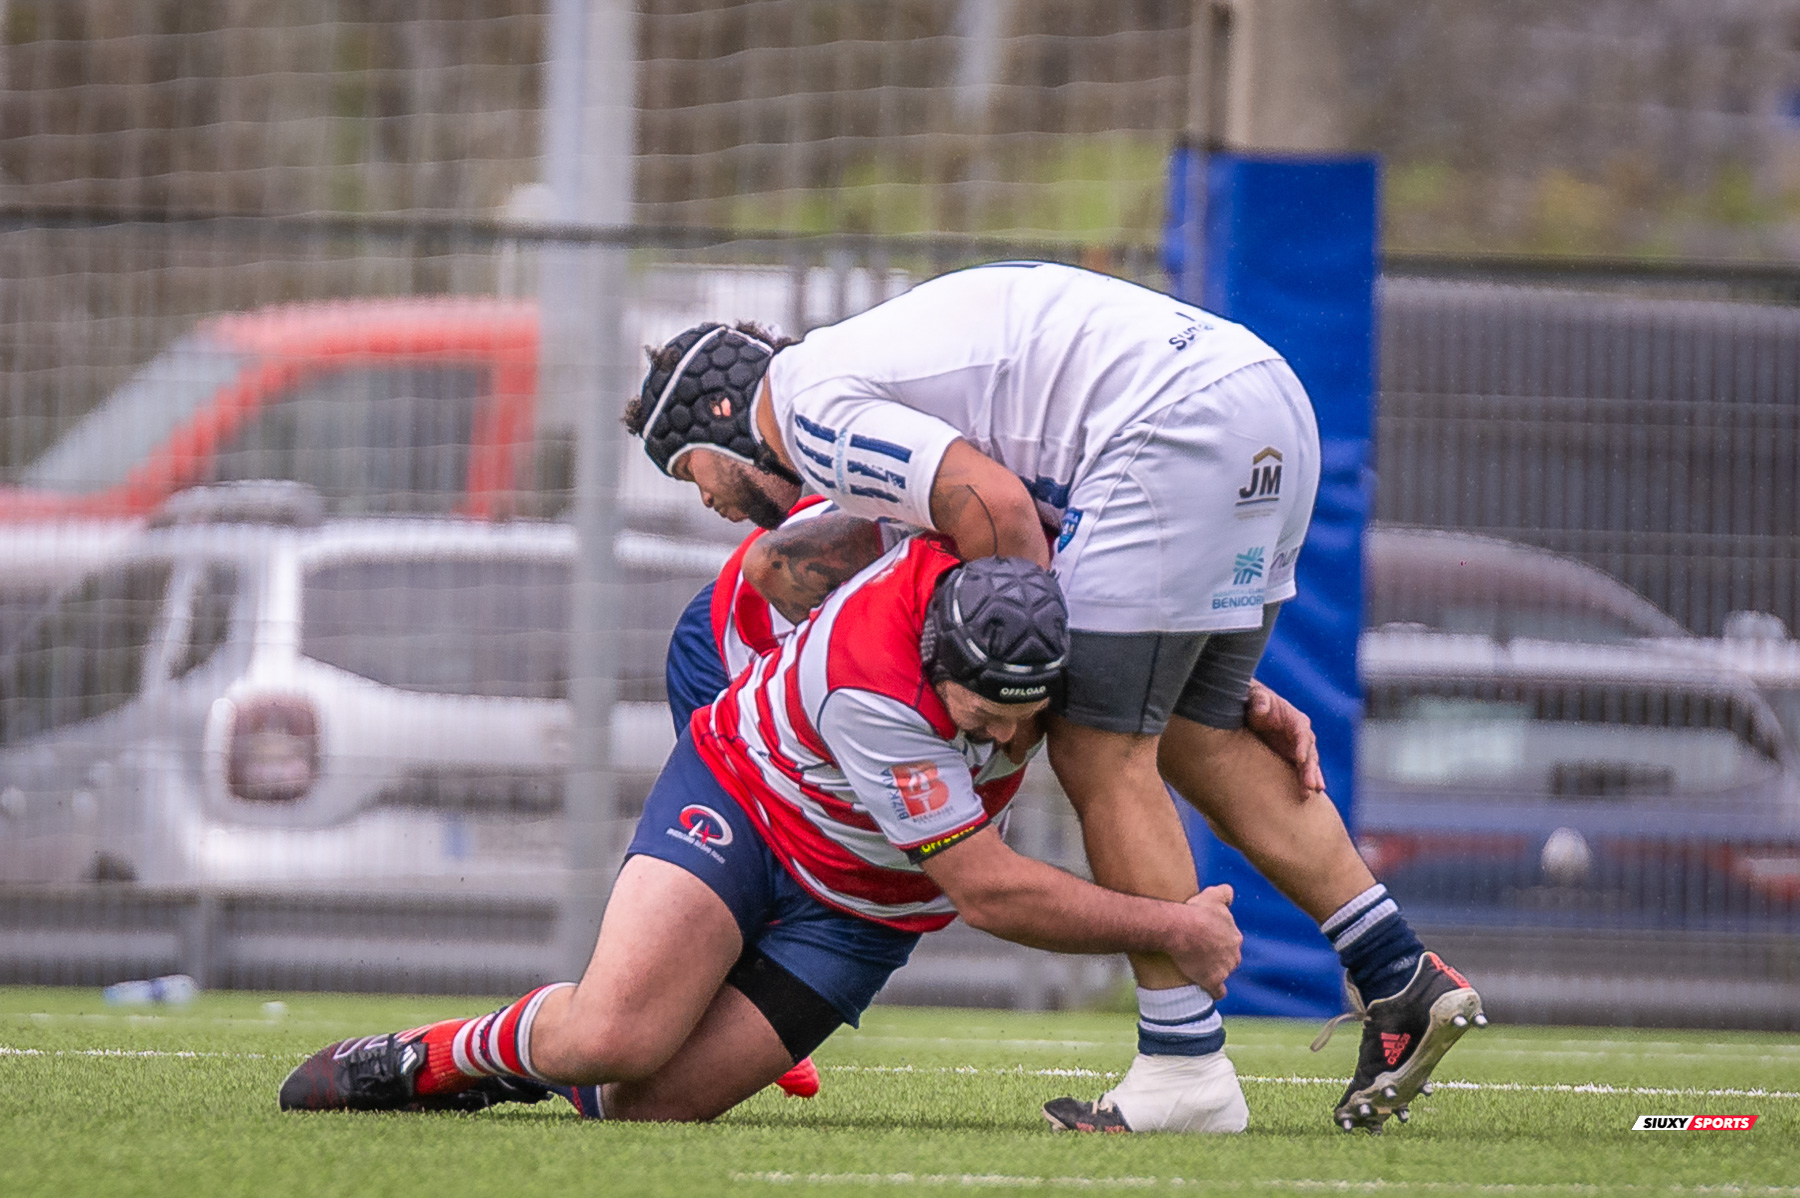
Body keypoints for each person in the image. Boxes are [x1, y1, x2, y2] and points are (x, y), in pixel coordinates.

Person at [625, 262, 1485, 1134]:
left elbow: (997, 510)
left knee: (1097, 747)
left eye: (688, 468)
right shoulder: (867, 367)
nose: (706, 499)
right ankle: (1396, 971)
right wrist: (1176, 673)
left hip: (1172, 426)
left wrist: (1013, 699)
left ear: (722, 413)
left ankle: (1185, 1067)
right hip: (1266, 401)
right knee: (1196, 728)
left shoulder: (805, 407)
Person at [280, 545, 1248, 1131]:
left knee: (650, 1107)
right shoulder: (874, 686)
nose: (1003, 738)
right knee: (615, 1034)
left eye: (1023, 719)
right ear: (936, 659)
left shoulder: (1033, 643)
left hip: (862, 916)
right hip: (745, 810)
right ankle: (442, 1057)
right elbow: (990, 892)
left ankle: (554, 1070)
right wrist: (1173, 925)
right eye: (983, 714)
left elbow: (1145, 695)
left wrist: (1242, 703)